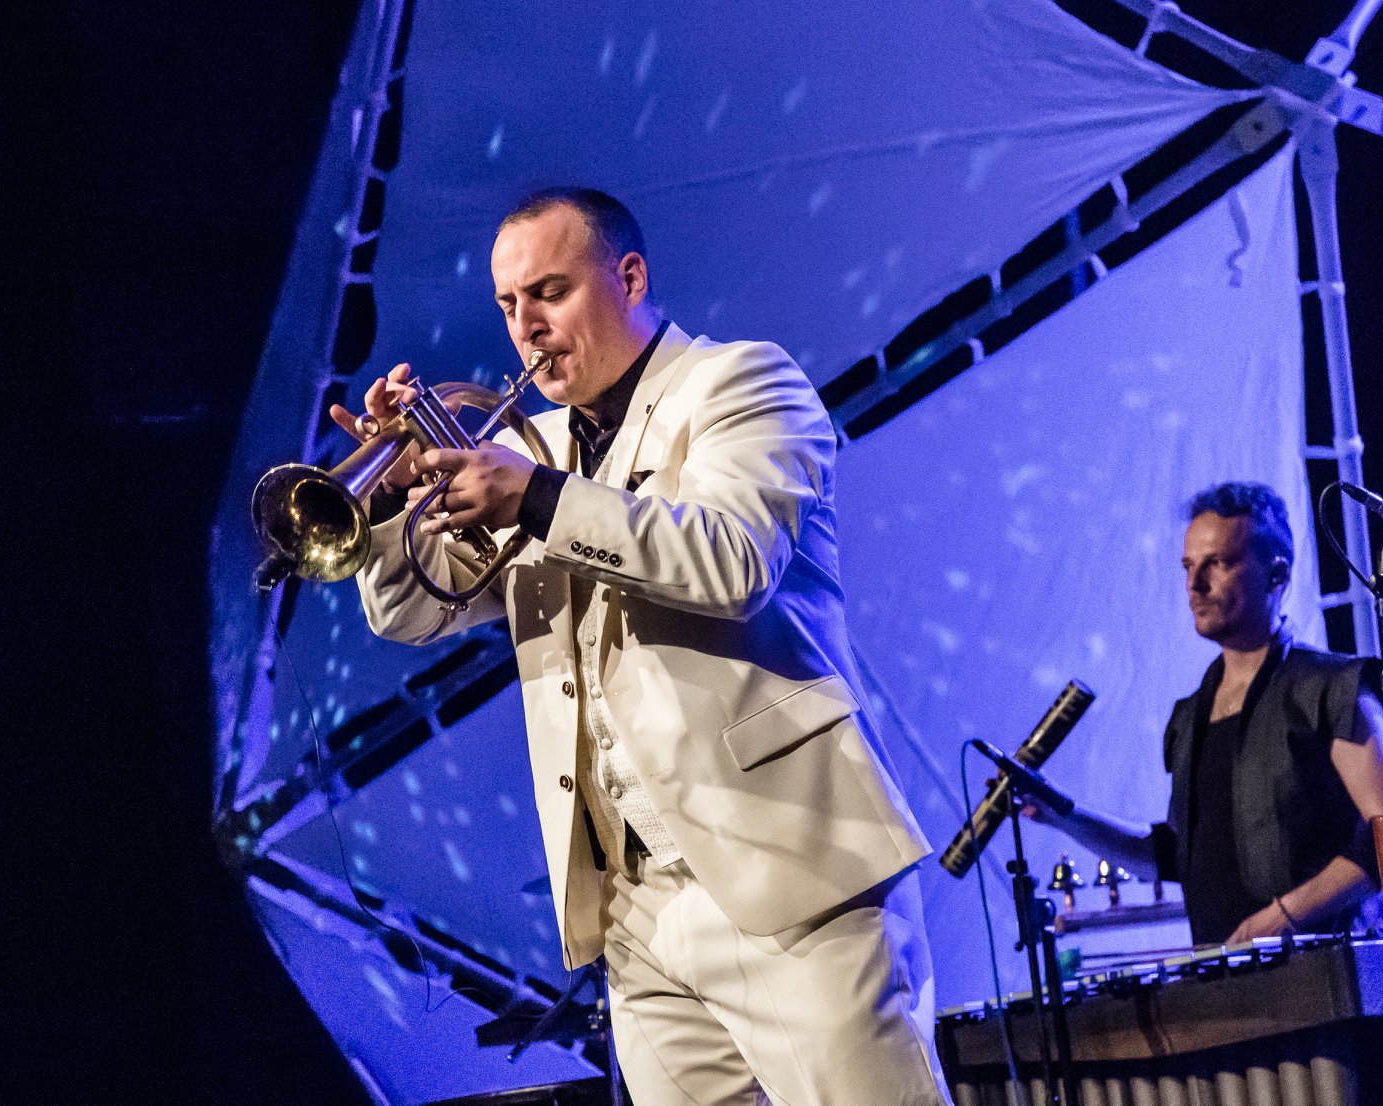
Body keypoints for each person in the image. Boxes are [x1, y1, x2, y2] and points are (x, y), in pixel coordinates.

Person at [338, 188, 951, 1105]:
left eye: (550, 292)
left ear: (629, 278)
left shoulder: (741, 382)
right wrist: (389, 503)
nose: (527, 326)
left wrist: (536, 499)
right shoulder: (533, 447)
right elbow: (412, 613)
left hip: (790, 878)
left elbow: (733, 561)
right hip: (632, 914)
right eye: (508, 305)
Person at [1023, 482, 1383, 946]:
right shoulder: (1189, 719)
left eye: (1217, 563)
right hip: (1230, 978)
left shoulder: (1331, 687)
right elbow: (1177, 857)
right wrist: (1063, 815)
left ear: (1276, 575)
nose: (1194, 584)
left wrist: (1281, 917)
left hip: (1329, 968)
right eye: (1188, 566)